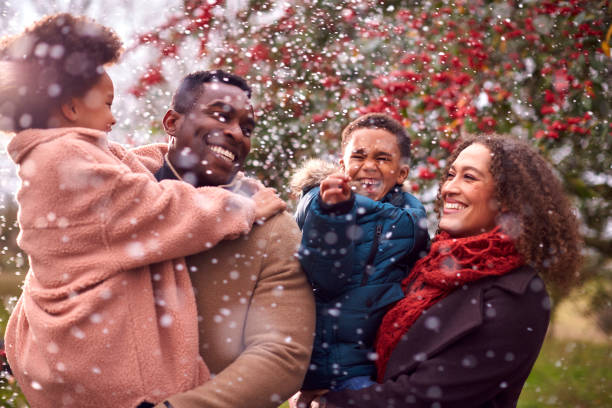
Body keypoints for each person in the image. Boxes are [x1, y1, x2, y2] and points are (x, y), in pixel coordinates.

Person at [0, 15, 284, 408]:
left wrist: (180, 160)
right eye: (107, 104)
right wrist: (243, 207)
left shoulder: (62, 154)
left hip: (63, 362)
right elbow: (157, 209)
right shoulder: (64, 157)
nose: (114, 117)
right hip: (101, 364)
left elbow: (133, 169)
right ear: (69, 106)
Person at [294, 134, 581, 407]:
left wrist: (332, 403)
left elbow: (429, 397)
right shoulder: (426, 265)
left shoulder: (517, 295)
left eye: (469, 177)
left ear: (508, 198)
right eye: (450, 175)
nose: (448, 188)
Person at [125, 70, 316, 408]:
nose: (235, 134)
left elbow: (282, 355)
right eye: (221, 116)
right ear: (172, 121)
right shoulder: (116, 204)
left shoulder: (272, 229)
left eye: (246, 128)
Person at [289, 113, 429, 397]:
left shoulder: (412, 221)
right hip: (329, 365)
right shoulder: (321, 205)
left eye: (382, 158)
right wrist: (333, 215)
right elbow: (325, 279)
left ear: (401, 173)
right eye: (359, 156)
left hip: (377, 362)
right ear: (342, 165)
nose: (369, 167)